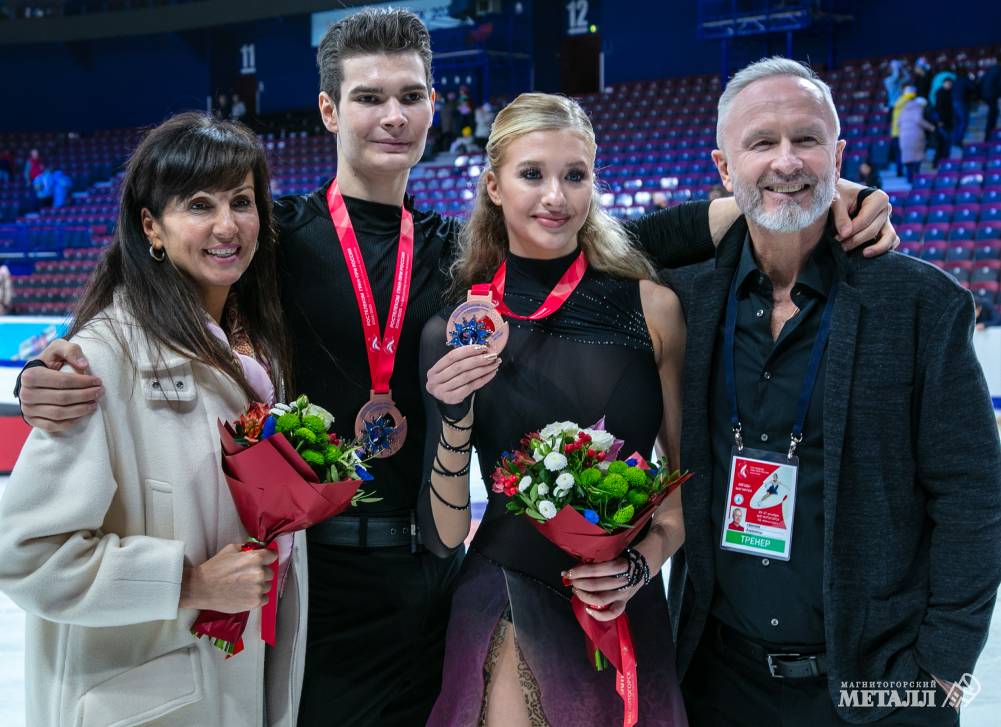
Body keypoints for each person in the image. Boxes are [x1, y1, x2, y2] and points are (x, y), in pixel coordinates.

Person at [12, 9, 896, 727]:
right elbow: (159, 266)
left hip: (431, 575)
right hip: (317, 577)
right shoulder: (270, 234)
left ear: (436, 106)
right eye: (367, 98)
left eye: (410, 95)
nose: (391, 116)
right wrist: (49, 366)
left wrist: (822, 198)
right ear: (329, 113)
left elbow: (636, 235)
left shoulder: (454, 257)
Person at [667, 56, 1001, 726]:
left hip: (877, 690)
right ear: (722, 169)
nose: (786, 160)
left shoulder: (918, 304)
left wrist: (935, 676)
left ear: (839, 154)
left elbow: (972, 499)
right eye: (760, 143)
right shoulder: (685, 294)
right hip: (716, 682)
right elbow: (586, 245)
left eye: (807, 140)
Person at [0, 113, 305, 727]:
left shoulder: (251, 351)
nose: (227, 226)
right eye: (198, 205)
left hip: (230, 686)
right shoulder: (104, 360)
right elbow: (24, 553)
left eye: (242, 202)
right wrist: (187, 584)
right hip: (142, 700)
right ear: (152, 228)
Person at [419, 92, 688, 726]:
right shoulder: (458, 328)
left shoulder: (654, 309)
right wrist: (454, 414)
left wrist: (639, 566)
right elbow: (445, 535)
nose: (556, 196)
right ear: (493, 185)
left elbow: (680, 492)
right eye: (532, 174)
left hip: (628, 604)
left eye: (575, 175)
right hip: (507, 599)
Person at [898, 96, 935, 183]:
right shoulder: (918, 108)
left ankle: (909, 179)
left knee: (907, 159)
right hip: (915, 136)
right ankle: (916, 179)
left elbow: (898, 123)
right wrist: (931, 127)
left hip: (903, 137)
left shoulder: (904, 109)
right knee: (917, 158)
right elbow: (918, 120)